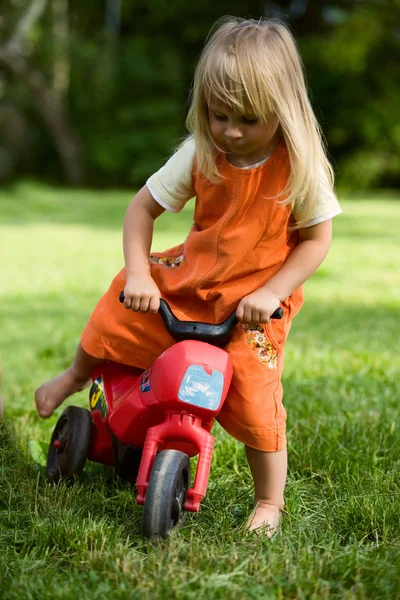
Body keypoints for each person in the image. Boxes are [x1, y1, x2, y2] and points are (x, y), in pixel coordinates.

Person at [35, 16, 341, 536]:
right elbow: (141, 211)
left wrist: (272, 292)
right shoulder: (202, 151)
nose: (232, 132)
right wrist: (140, 275)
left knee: (255, 391)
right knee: (118, 305)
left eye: (249, 119)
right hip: (192, 282)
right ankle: (76, 375)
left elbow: (316, 241)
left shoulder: (300, 167)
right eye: (220, 116)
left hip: (255, 303)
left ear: (283, 112)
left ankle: (269, 500)